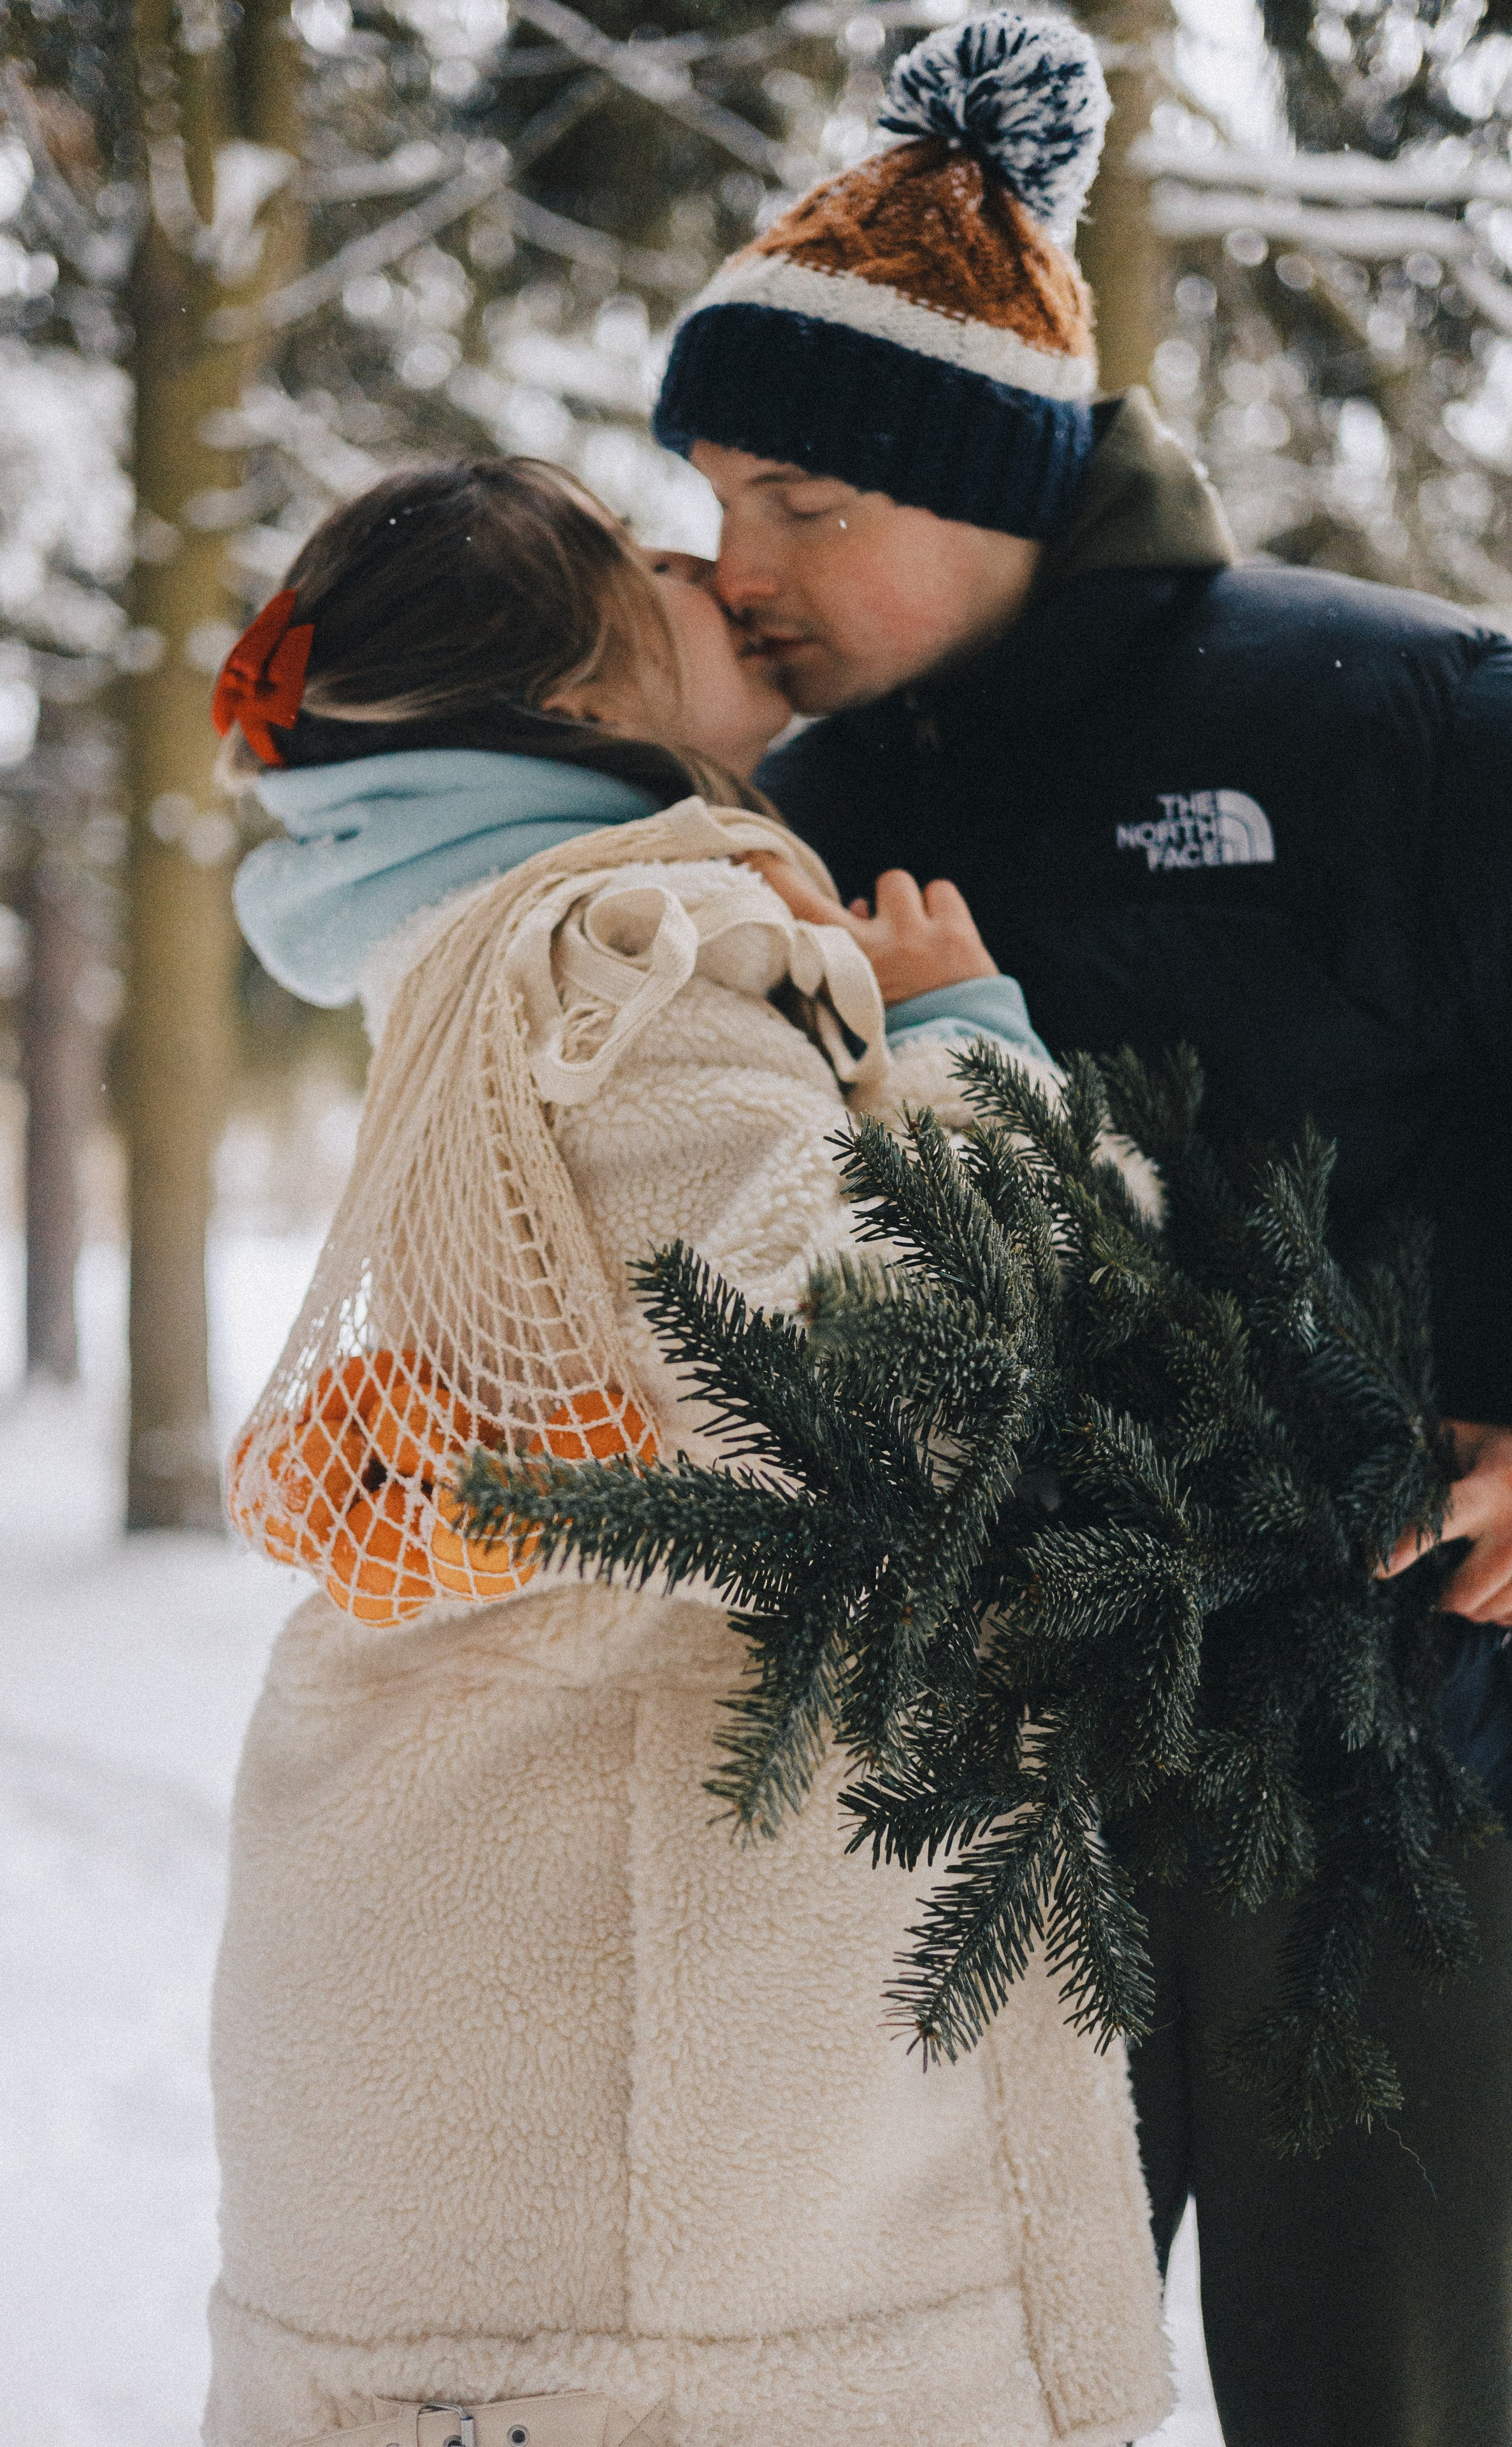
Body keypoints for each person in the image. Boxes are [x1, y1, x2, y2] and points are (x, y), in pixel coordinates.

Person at [652, 13, 1512, 2446]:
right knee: (945, 2396)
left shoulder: (1398, 710)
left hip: (1392, 1768)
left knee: (1397, 2396)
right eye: (717, 495)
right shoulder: (785, 816)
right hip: (967, 1799)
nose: (747, 562)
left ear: (994, 478)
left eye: (806, 497)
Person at [203, 454, 1170, 2447]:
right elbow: (903, 1398)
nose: (708, 563)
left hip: (526, 2003)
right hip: (649, 2092)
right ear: (573, 703)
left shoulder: (471, 958)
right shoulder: (617, 961)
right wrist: (972, 1056)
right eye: (642, 558)